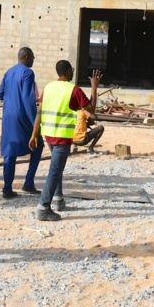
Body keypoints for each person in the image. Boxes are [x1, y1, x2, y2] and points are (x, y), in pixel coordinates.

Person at [30, 62, 102, 221]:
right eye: (73, 71)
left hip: (48, 134)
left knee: (57, 168)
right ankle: (43, 207)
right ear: (69, 71)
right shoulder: (74, 90)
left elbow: (39, 112)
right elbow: (91, 109)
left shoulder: (48, 87)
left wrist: (34, 135)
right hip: (63, 137)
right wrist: (94, 86)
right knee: (55, 171)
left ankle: (58, 199)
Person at [0, 47, 42, 198]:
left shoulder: (9, 72)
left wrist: (11, 99)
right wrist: (35, 122)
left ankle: (7, 188)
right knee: (38, 144)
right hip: (21, 117)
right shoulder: (28, 73)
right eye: (33, 57)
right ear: (27, 57)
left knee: (10, 152)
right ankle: (28, 182)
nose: (34, 60)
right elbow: (28, 99)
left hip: (8, 117)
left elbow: (0, 94)